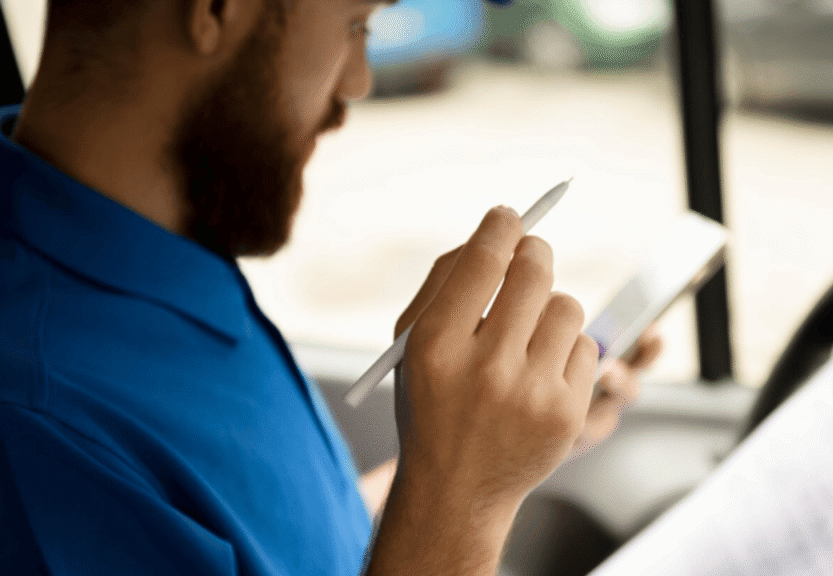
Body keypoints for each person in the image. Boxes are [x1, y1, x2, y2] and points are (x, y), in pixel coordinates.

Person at [0, 0, 664, 574]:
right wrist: (463, 502)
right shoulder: (42, 427)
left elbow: (294, 543)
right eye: (356, 26)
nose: (358, 83)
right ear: (215, 8)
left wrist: (488, 452)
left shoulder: (161, 257)